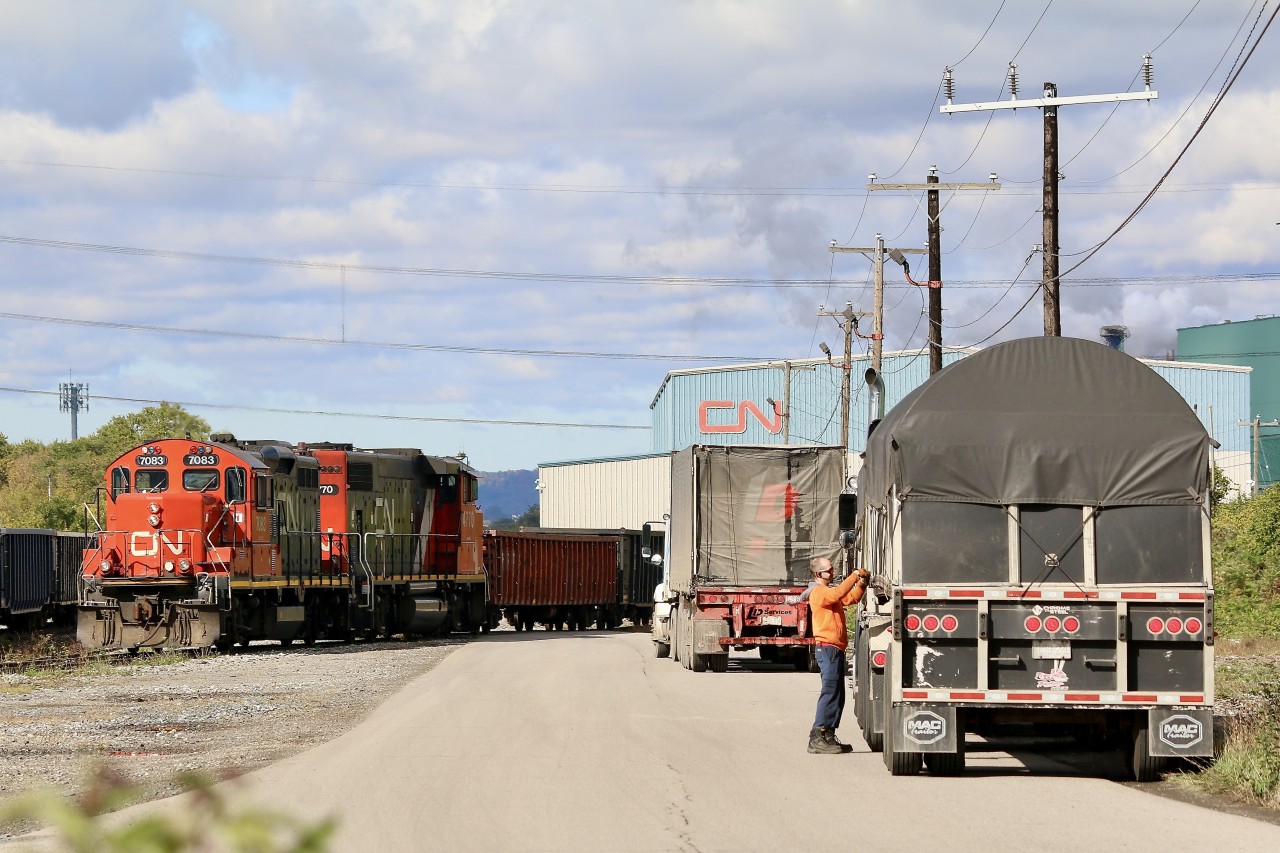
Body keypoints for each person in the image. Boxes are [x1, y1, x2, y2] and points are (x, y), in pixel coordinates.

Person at [806, 556, 870, 754]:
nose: (832, 572)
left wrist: (863, 583)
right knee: (830, 691)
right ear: (819, 574)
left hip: (834, 649)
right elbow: (839, 593)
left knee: (838, 694)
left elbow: (851, 598)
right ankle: (817, 737)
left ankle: (828, 735)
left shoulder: (828, 593)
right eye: (829, 570)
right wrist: (855, 575)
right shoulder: (818, 592)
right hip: (828, 649)